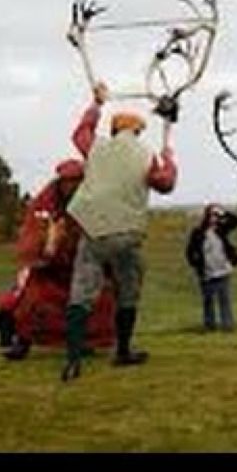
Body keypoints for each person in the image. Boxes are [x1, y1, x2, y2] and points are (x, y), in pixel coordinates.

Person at [61, 81, 177, 381]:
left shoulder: (97, 147)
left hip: (93, 229)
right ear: (138, 131)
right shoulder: (147, 155)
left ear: (113, 130)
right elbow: (165, 183)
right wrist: (170, 158)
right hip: (127, 234)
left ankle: (73, 361)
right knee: (129, 288)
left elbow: (80, 133)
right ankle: (123, 350)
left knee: (81, 294)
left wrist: (96, 104)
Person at [0, 159, 115, 361]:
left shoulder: (92, 202)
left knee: (99, 301)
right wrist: (49, 243)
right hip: (49, 269)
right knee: (29, 302)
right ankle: (21, 343)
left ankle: (85, 342)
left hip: (82, 266)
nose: (73, 186)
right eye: (69, 181)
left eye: (77, 181)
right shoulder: (44, 204)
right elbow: (33, 234)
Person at [185, 204, 237, 332]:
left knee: (224, 299)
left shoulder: (221, 230)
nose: (214, 218)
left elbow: (236, 221)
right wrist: (195, 263)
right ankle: (210, 326)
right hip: (206, 271)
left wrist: (224, 213)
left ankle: (227, 326)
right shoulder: (198, 232)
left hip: (223, 269)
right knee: (208, 300)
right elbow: (190, 251)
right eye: (212, 215)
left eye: (216, 215)